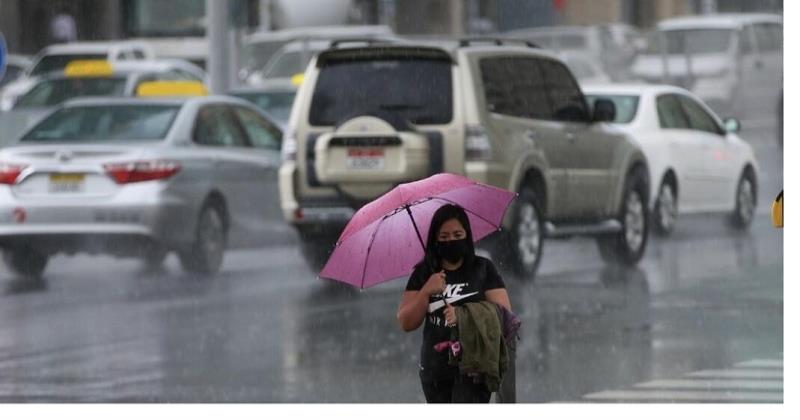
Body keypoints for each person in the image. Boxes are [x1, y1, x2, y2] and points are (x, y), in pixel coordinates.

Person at [397, 203, 511, 403]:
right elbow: (406, 322)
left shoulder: (483, 269)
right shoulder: (424, 272)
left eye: (458, 235)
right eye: (444, 237)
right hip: (435, 371)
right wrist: (426, 291)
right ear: (435, 240)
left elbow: (504, 317)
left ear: (467, 235)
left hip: (475, 367)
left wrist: (463, 316)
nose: (451, 241)